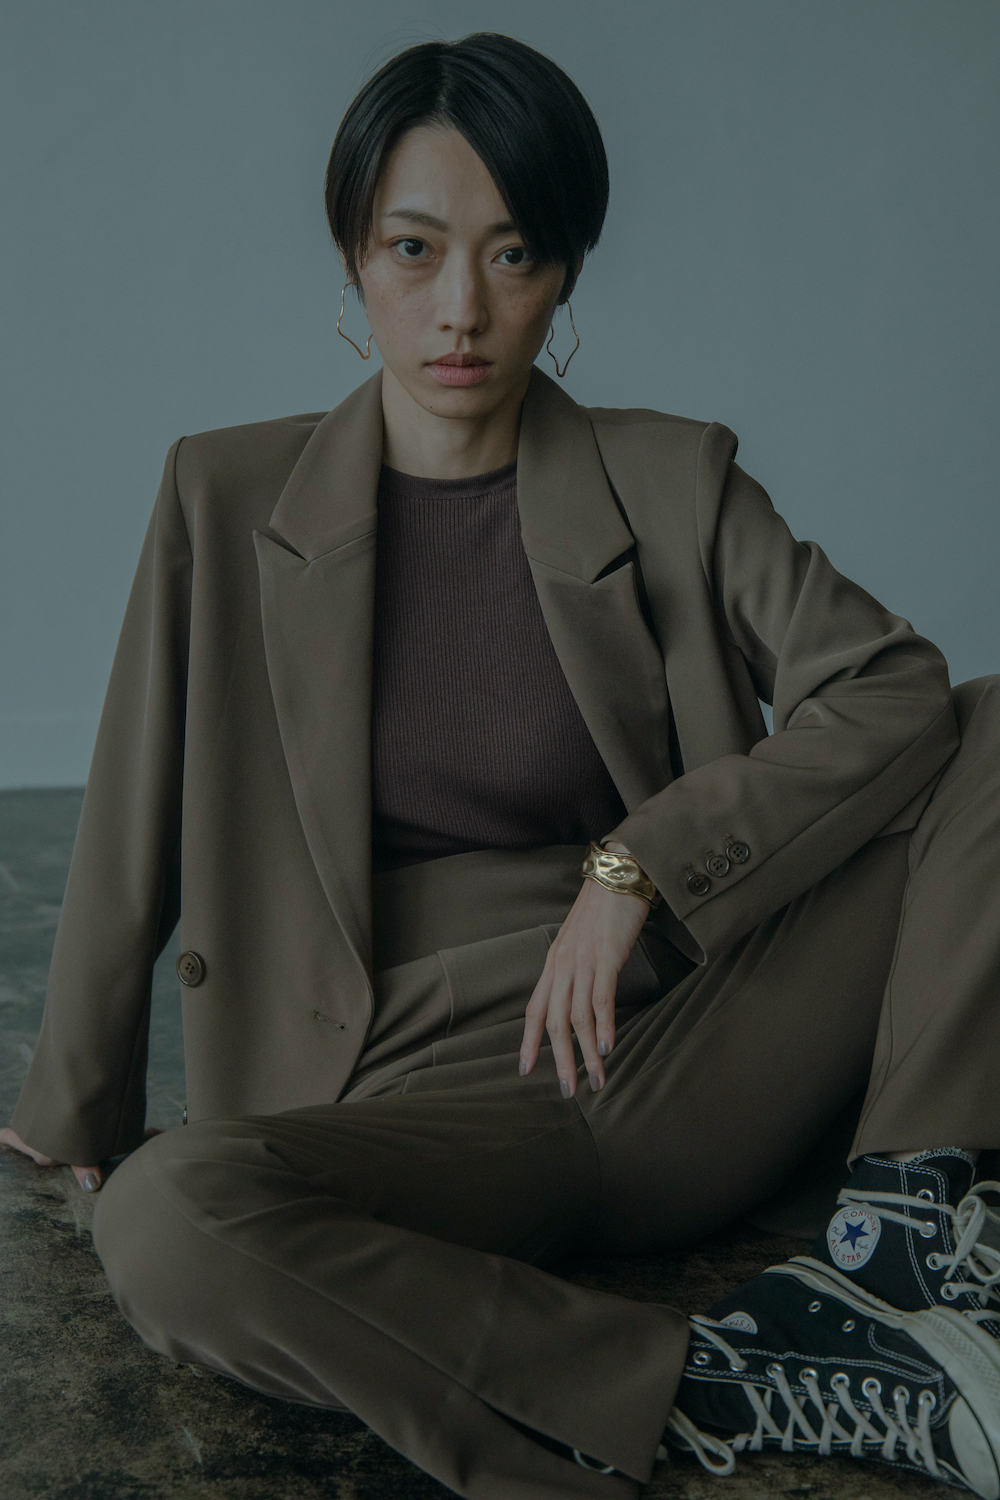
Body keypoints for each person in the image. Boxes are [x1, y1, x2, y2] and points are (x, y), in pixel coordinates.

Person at [3, 30, 1000, 1500]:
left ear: (567, 273)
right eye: (414, 250)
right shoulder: (224, 494)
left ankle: (904, 1246)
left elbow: (893, 689)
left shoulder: (670, 479)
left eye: (514, 254)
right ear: (356, 257)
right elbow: (136, 797)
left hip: (683, 1040)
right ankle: (721, 1385)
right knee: (163, 1218)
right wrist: (77, 1101)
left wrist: (635, 870)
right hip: (406, 1100)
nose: (460, 308)